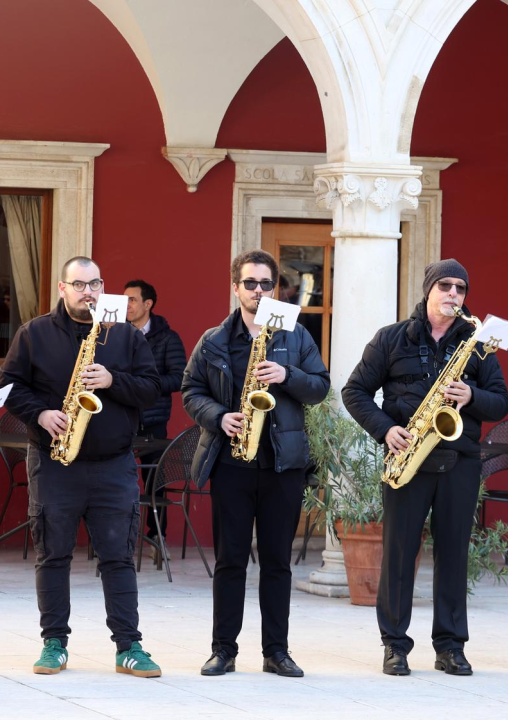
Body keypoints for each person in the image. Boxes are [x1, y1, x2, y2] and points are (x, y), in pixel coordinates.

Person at [342, 258, 508, 677]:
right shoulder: (392, 338)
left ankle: (451, 646)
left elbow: (501, 401)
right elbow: (355, 391)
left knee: (453, 555)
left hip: (460, 460)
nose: (454, 294)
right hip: (407, 457)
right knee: (399, 554)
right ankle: (394, 645)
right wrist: (386, 430)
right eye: (446, 286)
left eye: (461, 289)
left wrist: (471, 395)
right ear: (428, 290)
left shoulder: (478, 341)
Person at [0, 256, 164, 678]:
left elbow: (152, 389)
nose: (87, 292)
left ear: (102, 285)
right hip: (54, 462)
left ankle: (129, 646)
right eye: (78, 285)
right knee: (52, 554)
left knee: (118, 557)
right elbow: (7, 390)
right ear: (62, 288)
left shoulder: (124, 335)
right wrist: (40, 414)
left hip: (113, 465)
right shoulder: (33, 333)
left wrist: (112, 381)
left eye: (94, 284)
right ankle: (54, 643)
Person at [181, 249, 329, 678]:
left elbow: (320, 387)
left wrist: (287, 377)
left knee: (278, 562)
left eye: (267, 284)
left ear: (276, 288)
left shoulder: (296, 336)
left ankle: (276, 652)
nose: (259, 291)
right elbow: (191, 390)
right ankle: (223, 650)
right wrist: (218, 416)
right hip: (232, 463)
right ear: (236, 288)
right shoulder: (213, 340)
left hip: (284, 466)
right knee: (230, 560)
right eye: (251, 283)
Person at [124, 279, 186, 544]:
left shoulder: (168, 338)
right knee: (116, 482)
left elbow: (180, 378)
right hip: (121, 419)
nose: (126, 305)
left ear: (147, 304)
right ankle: (118, 540)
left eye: (132, 300)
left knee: (154, 484)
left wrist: (146, 385)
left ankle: (156, 539)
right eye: (124, 299)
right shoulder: (115, 333)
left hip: (153, 422)